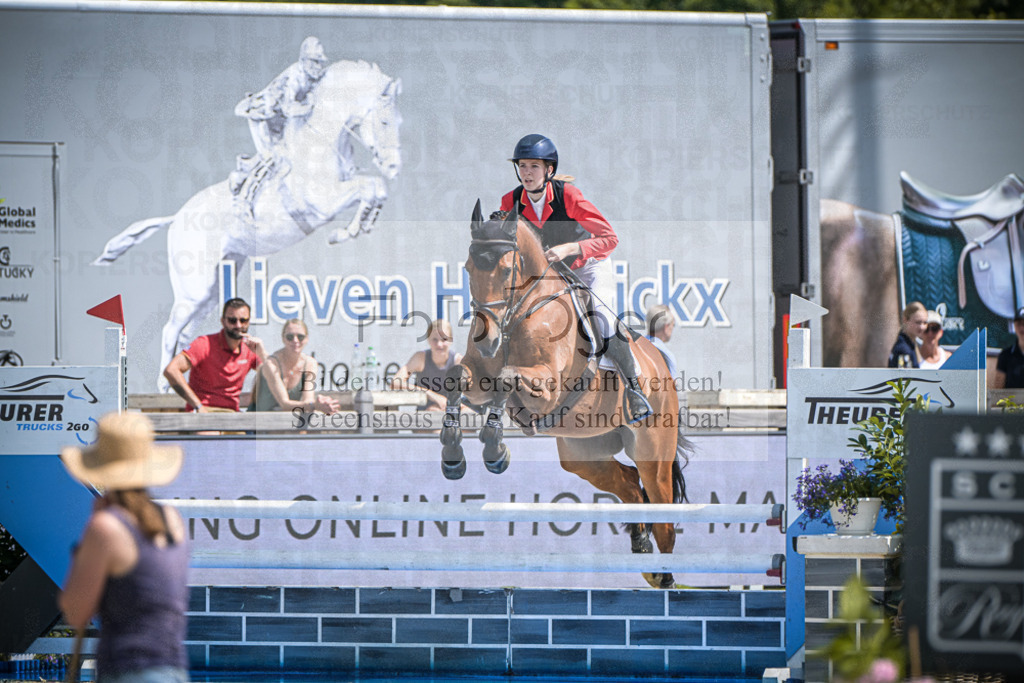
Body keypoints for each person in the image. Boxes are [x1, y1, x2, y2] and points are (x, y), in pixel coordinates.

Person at [499, 133, 651, 422]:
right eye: (522, 166)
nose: (527, 172)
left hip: (587, 266)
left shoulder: (568, 195)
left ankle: (635, 390)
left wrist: (570, 248)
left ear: (549, 170)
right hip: (549, 276)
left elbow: (610, 238)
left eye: (534, 166)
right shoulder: (511, 201)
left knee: (602, 318)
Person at [59, 412, 189, 683]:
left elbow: (76, 612)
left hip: (127, 670)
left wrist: (84, 549)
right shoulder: (172, 520)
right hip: (173, 669)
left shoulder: (106, 527)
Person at [229, 37, 329, 196]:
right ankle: (243, 186)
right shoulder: (294, 78)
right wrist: (309, 107)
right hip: (263, 117)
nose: (318, 66)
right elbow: (289, 109)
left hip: (282, 120)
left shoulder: (312, 76)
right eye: (315, 62)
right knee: (271, 158)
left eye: (320, 62)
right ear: (304, 61)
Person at [163, 298, 266, 412]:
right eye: (232, 320)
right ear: (223, 321)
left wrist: (261, 352)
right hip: (204, 412)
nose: (238, 325)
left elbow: (272, 376)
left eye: (243, 320)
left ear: (249, 321)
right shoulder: (204, 344)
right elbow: (171, 370)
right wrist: (198, 406)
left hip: (232, 413)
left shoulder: (250, 348)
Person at [248, 319, 339, 413]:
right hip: (257, 419)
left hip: (285, 420)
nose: (295, 340)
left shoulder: (310, 364)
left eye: (300, 337)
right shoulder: (272, 363)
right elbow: (284, 404)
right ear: (283, 338)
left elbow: (308, 400)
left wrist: (322, 403)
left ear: (307, 339)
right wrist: (315, 405)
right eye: (290, 337)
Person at [393, 319, 463, 411]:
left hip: (452, 409)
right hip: (426, 412)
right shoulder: (420, 358)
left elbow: (473, 389)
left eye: (444, 339)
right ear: (428, 340)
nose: (439, 344)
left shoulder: (458, 361)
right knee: (433, 411)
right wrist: (429, 393)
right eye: (435, 339)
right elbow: (395, 382)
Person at [887, 301, 927, 368]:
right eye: (918, 322)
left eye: (925, 323)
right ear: (905, 320)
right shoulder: (903, 349)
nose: (922, 327)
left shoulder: (910, 344)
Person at [645, 304, 679, 381]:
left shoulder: (634, 346)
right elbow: (672, 386)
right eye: (673, 325)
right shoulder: (667, 356)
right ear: (666, 327)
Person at [994, 306, 1024, 389]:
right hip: (1011, 398)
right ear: (1015, 326)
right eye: (1019, 324)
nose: (1022, 328)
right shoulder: (1005, 356)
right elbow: (998, 389)